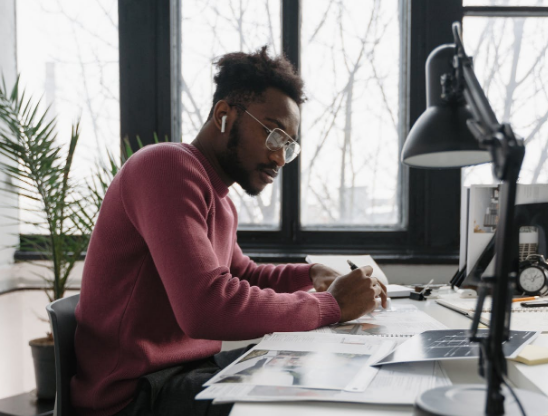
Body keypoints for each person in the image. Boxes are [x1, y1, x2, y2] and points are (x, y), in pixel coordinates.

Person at [71, 46, 388, 416]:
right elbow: (207, 307)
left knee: (325, 373)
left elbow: (243, 273)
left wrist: (309, 274)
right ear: (224, 114)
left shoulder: (219, 198)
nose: (280, 157)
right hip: (134, 394)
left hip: (188, 372)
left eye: (289, 144)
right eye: (274, 134)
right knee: (312, 404)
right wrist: (332, 305)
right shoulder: (166, 166)